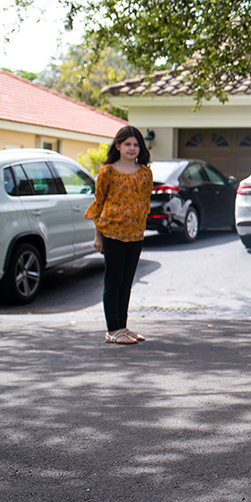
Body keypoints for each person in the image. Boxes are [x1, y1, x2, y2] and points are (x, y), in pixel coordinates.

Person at [84, 125, 153, 345]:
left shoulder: (145, 173)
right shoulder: (107, 172)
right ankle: (112, 330)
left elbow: (144, 203)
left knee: (127, 282)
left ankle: (122, 327)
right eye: (127, 144)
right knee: (113, 281)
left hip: (135, 235)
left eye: (136, 145)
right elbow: (99, 203)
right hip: (111, 233)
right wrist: (98, 237)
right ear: (118, 146)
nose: (132, 148)